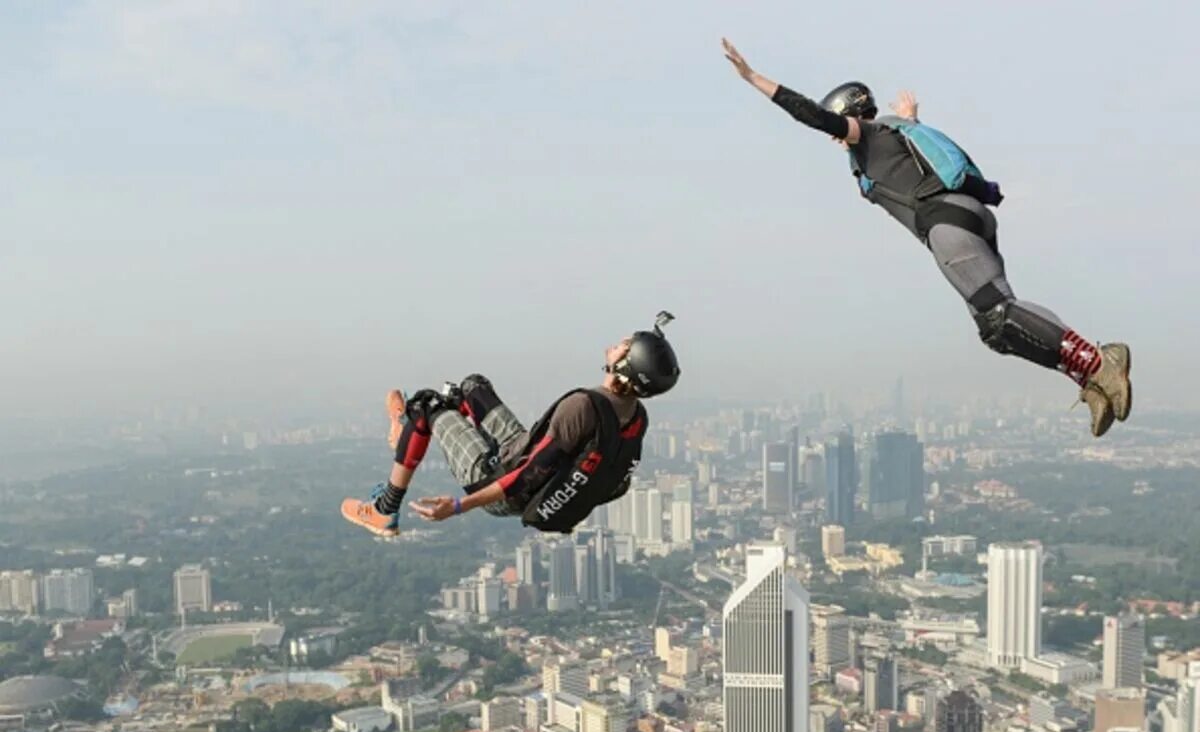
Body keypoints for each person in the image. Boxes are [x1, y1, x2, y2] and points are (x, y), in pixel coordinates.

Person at [721, 39, 1132, 437]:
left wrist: (752, 77)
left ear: (849, 115)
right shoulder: (896, 132)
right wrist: (913, 118)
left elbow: (809, 114)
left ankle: (1098, 363)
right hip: (967, 218)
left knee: (999, 313)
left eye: (838, 126)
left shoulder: (868, 136)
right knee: (997, 331)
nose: (834, 137)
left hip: (945, 224)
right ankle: (1089, 377)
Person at [340, 313, 681, 536]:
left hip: (500, 480)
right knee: (473, 386)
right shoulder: (635, 416)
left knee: (428, 403)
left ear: (625, 365)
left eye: (625, 344)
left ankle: (386, 509)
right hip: (522, 451)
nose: (618, 342)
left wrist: (459, 506)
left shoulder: (582, 408)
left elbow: (525, 475)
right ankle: (414, 429)